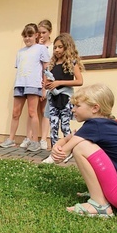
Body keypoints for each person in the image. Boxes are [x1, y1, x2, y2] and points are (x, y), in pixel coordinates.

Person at [50, 84, 117, 218]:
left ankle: (100, 204)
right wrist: (58, 145)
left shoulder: (95, 125)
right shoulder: (107, 123)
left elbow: (63, 153)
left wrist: (57, 150)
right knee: (82, 143)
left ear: (95, 108)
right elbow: (70, 138)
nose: (73, 110)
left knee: (80, 147)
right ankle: (100, 193)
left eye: (77, 106)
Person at [0, 23, 49, 152]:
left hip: (33, 84)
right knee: (15, 113)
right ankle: (11, 139)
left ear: (36, 35)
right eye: (25, 36)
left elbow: (46, 69)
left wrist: (44, 88)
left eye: (30, 35)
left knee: (32, 113)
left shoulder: (41, 49)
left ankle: (34, 141)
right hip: (20, 84)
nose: (27, 38)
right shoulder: (20, 52)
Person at [42, 33, 84, 164]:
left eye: (60, 47)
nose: (57, 50)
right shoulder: (52, 64)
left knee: (65, 127)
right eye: (55, 47)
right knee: (53, 126)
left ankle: (67, 151)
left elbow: (79, 81)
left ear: (67, 47)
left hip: (65, 99)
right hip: (53, 99)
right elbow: (48, 81)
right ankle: (54, 153)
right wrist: (47, 85)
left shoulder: (72, 63)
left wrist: (59, 83)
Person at [20, 19, 53, 151]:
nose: (41, 35)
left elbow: (48, 67)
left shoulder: (50, 47)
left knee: (43, 111)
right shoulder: (35, 47)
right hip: (33, 82)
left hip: (46, 82)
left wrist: (46, 84)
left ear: (49, 32)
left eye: (44, 32)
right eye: (39, 33)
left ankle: (44, 139)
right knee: (32, 111)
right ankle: (30, 137)